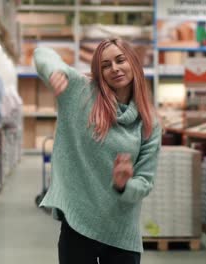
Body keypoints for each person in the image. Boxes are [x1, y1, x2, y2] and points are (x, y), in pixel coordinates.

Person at [34, 38, 162, 264]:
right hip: (77, 223)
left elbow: (145, 181)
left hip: (121, 231)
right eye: (105, 65)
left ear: (133, 62)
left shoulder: (149, 122)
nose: (114, 68)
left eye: (120, 60)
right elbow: (42, 52)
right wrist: (53, 71)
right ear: (99, 72)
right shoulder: (81, 93)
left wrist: (123, 184)